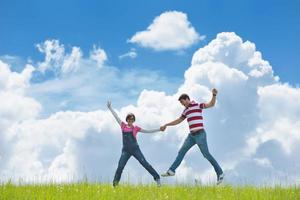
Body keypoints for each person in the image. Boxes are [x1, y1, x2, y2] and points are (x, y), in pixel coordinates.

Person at [160, 89, 224, 185]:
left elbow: (211, 104)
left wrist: (214, 95)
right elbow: (178, 120)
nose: (182, 104)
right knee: (181, 151)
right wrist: (166, 124)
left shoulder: (198, 105)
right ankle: (171, 171)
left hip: (200, 134)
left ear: (187, 99)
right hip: (191, 136)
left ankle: (220, 173)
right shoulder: (185, 111)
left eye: (182, 102)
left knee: (206, 154)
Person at [107, 101, 163, 187]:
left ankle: (157, 178)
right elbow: (116, 116)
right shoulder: (123, 125)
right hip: (125, 151)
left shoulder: (136, 128)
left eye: (132, 119)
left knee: (144, 163)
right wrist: (110, 108)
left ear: (133, 120)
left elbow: (147, 131)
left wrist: (159, 129)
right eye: (129, 119)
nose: (130, 120)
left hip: (135, 149)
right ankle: (115, 185)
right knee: (120, 167)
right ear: (127, 119)